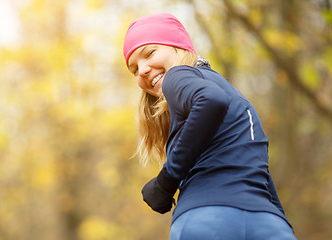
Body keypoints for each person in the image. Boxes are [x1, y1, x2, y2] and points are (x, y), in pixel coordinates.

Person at [122, 13, 296, 239]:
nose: (143, 69)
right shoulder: (236, 97)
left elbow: (210, 101)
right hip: (267, 222)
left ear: (178, 47)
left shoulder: (178, 76)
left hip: (207, 218)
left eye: (150, 53)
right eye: (134, 69)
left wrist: (166, 182)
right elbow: (263, 174)